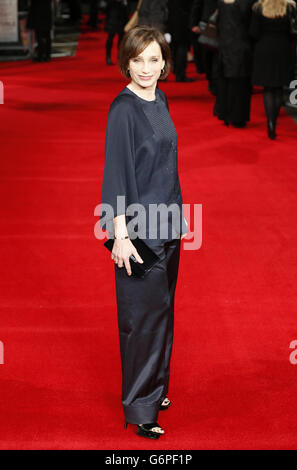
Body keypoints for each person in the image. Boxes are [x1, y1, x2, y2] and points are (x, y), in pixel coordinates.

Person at [99, 25, 188, 439]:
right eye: (138, 60)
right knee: (142, 322)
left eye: (154, 59)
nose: (147, 68)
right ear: (126, 63)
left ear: (165, 62)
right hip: (137, 235)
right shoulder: (122, 110)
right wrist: (119, 235)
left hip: (168, 225)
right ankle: (140, 409)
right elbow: (116, 175)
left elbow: (165, 164)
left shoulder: (161, 97)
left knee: (163, 314)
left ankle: (156, 390)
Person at [250, 0, 297, 139]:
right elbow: (293, 31)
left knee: (268, 89)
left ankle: (270, 122)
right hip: (283, 49)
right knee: (278, 89)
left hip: (264, 49)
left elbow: (253, 32)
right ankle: (274, 121)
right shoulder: (289, 7)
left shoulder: (258, 8)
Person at [216, 0, 253, 128]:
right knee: (240, 84)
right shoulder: (247, 3)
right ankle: (237, 118)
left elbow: (218, 24)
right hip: (241, 46)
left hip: (225, 45)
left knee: (226, 82)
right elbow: (251, 27)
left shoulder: (222, 2)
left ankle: (225, 114)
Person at [168, 0, 196, 82]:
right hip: (183, 21)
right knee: (182, 47)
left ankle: (176, 71)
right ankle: (180, 75)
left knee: (175, 47)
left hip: (172, 21)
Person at [105, 0, 129, 65]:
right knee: (110, 39)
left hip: (122, 20)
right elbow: (107, 10)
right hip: (112, 20)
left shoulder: (124, 3)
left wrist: (127, 23)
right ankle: (108, 57)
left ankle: (120, 57)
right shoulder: (110, 3)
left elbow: (126, 12)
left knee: (121, 40)